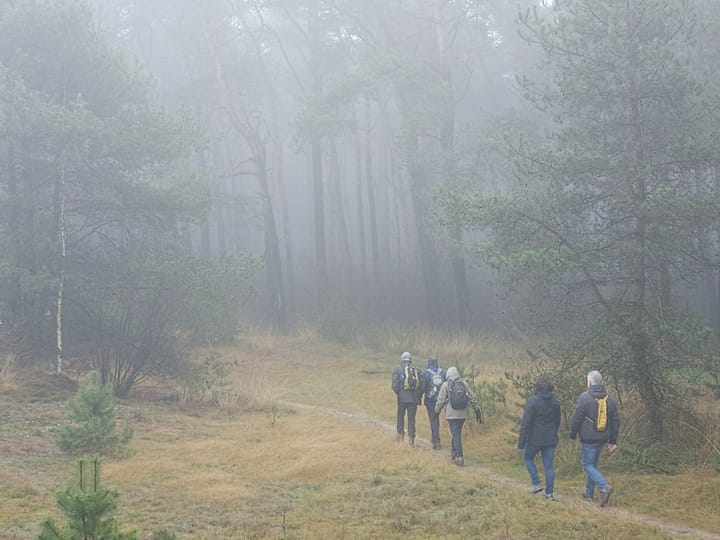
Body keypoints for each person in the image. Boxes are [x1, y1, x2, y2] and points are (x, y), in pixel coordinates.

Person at [569, 370, 620, 507]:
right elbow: (615, 421)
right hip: (603, 438)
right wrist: (613, 441)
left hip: (588, 439)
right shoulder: (610, 399)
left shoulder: (584, 398)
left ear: (589, 382)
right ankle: (589, 494)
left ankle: (604, 487)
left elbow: (576, 418)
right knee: (593, 465)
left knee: (587, 466)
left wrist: (573, 434)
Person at [518, 374, 561, 500]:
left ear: (537, 387)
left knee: (527, 458)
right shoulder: (555, 402)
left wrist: (521, 443)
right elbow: (557, 421)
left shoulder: (532, 402)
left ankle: (536, 483)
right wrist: (553, 432)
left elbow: (525, 423)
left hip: (534, 439)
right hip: (551, 438)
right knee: (549, 465)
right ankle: (549, 493)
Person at [434, 366, 482, 466]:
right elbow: (472, 397)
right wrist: (477, 409)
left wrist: (436, 411)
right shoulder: (464, 384)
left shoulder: (446, 385)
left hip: (451, 414)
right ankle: (454, 453)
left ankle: (459, 456)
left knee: (455, 434)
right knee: (456, 433)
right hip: (463, 414)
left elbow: (441, 400)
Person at [391, 351, 423, 446]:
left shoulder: (397, 368)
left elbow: (394, 385)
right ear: (410, 359)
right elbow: (422, 384)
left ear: (402, 359)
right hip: (413, 399)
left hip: (402, 398)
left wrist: (399, 393)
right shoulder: (416, 369)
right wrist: (418, 395)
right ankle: (411, 439)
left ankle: (400, 434)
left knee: (400, 416)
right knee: (411, 418)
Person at [420, 356, 446, 450]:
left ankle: (436, 441)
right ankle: (436, 439)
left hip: (430, 401)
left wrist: (420, 397)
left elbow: (422, 387)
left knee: (433, 420)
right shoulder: (443, 372)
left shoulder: (426, 373)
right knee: (436, 419)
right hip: (441, 400)